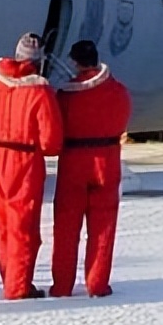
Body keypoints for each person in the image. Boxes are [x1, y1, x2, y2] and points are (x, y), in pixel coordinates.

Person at [0, 32, 63, 300]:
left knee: (2, 224)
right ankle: (18, 287)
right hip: (25, 161)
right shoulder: (40, 90)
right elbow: (52, 142)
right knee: (23, 226)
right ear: (39, 61)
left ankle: (9, 278)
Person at [50, 40, 133, 298]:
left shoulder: (65, 95)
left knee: (66, 227)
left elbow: (55, 128)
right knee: (103, 226)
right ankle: (97, 283)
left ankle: (62, 285)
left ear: (75, 62)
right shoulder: (118, 91)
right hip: (106, 161)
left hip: (73, 161)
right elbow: (122, 120)